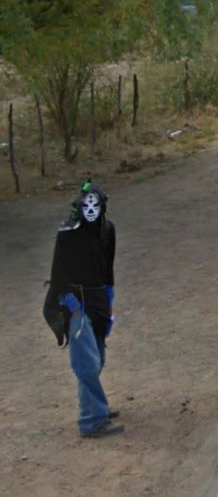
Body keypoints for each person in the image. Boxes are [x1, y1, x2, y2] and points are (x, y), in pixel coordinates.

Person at [43, 180, 123, 437]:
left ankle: (94, 404)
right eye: (86, 204)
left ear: (102, 206)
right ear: (79, 206)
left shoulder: (107, 230)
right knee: (86, 362)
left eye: (95, 204)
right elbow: (58, 274)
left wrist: (109, 301)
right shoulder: (67, 233)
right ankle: (91, 420)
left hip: (98, 299)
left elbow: (107, 269)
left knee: (98, 358)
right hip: (74, 301)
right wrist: (71, 306)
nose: (91, 209)